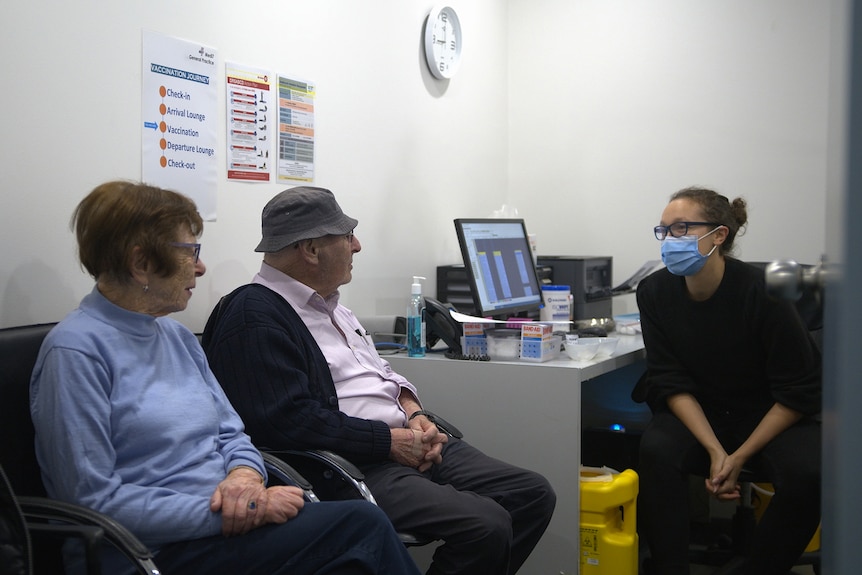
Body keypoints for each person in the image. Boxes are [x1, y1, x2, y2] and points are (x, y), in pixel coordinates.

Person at [29, 181, 421, 575]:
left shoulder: (176, 337)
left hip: (225, 527)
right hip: (152, 551)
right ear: (140, 264)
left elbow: (232, 434)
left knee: (352, 541)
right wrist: (242, 510)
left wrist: (245, 477)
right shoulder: (76, 352)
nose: (200, 267)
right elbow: (93, 499)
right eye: (189, 252)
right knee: (360, 528)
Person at [202, 186, 556, 575]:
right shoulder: (254, 314)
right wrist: (390, 443)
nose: (357, 245)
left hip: (407, 440)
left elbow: (383, 373)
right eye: (346, 236)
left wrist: (416, 412)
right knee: (485, 524)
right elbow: (287, 420)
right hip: (353, 463)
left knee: (531, 494)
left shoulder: (333, 306)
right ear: (311, 250)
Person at [633, 186, 821, 575]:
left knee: (811, 473)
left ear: (719, 235)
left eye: (682, 228)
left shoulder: (763, 291)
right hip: (703, 413)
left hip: (770, 413)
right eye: (664, 230)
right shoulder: (654, 292)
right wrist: (716, 450)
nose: (670, 240)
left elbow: (798, 389)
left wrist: (739, 456)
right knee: (656, 450)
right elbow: (670, 382)